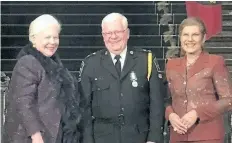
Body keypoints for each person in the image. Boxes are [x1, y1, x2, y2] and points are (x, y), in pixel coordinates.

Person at [79, 12, 164, 143]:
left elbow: (156, 104)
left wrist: (154, 138)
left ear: (127, 33)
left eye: (118, 31)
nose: (113, 37)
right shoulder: (91, 63)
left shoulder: (145, 60)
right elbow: (84, 109)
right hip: (102, 138)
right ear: (103, 36)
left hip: (139, 137)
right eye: (108, 33)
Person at [3, 14, 82, 143]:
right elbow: (23, 104)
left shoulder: (55, 65)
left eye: (55, 37)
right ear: (33, 39)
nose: (52, 42)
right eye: (47, 37)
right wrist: (36, 136)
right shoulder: (27, 62)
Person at [165, 17, 232, 143]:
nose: (190, 39)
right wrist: (170, 115)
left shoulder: (215, 62)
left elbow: (228, 100)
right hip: (177, 136)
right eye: (186, 35)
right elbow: (165, 99)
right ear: (180, 37)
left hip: (208, 136)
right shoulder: (171, 65)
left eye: (195, 35)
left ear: (203, 38)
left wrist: (197, 113)